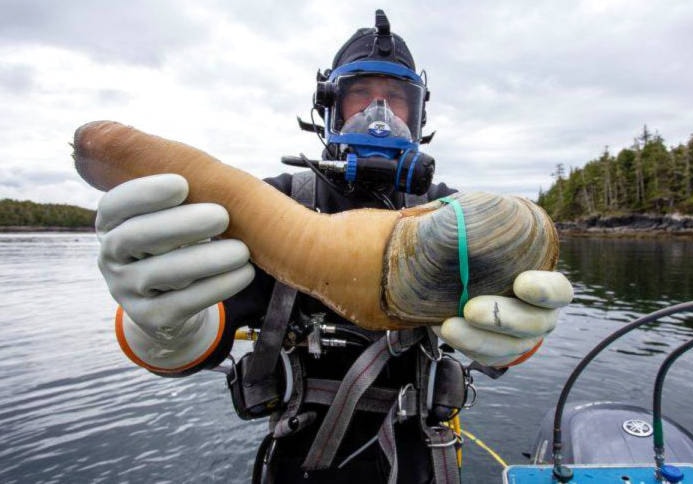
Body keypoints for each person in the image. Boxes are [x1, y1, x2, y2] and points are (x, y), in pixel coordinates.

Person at [94, 10, 573, 484]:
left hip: (419, 454)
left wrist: (514, 337)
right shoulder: (276, 203)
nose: (379, 114)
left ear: (419, 113)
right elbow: (203, 328)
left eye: (396, 100)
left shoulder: (449, 215)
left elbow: (497, 319)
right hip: (300, 458)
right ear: (329, 106)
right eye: (360, 96)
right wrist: (165, 331)